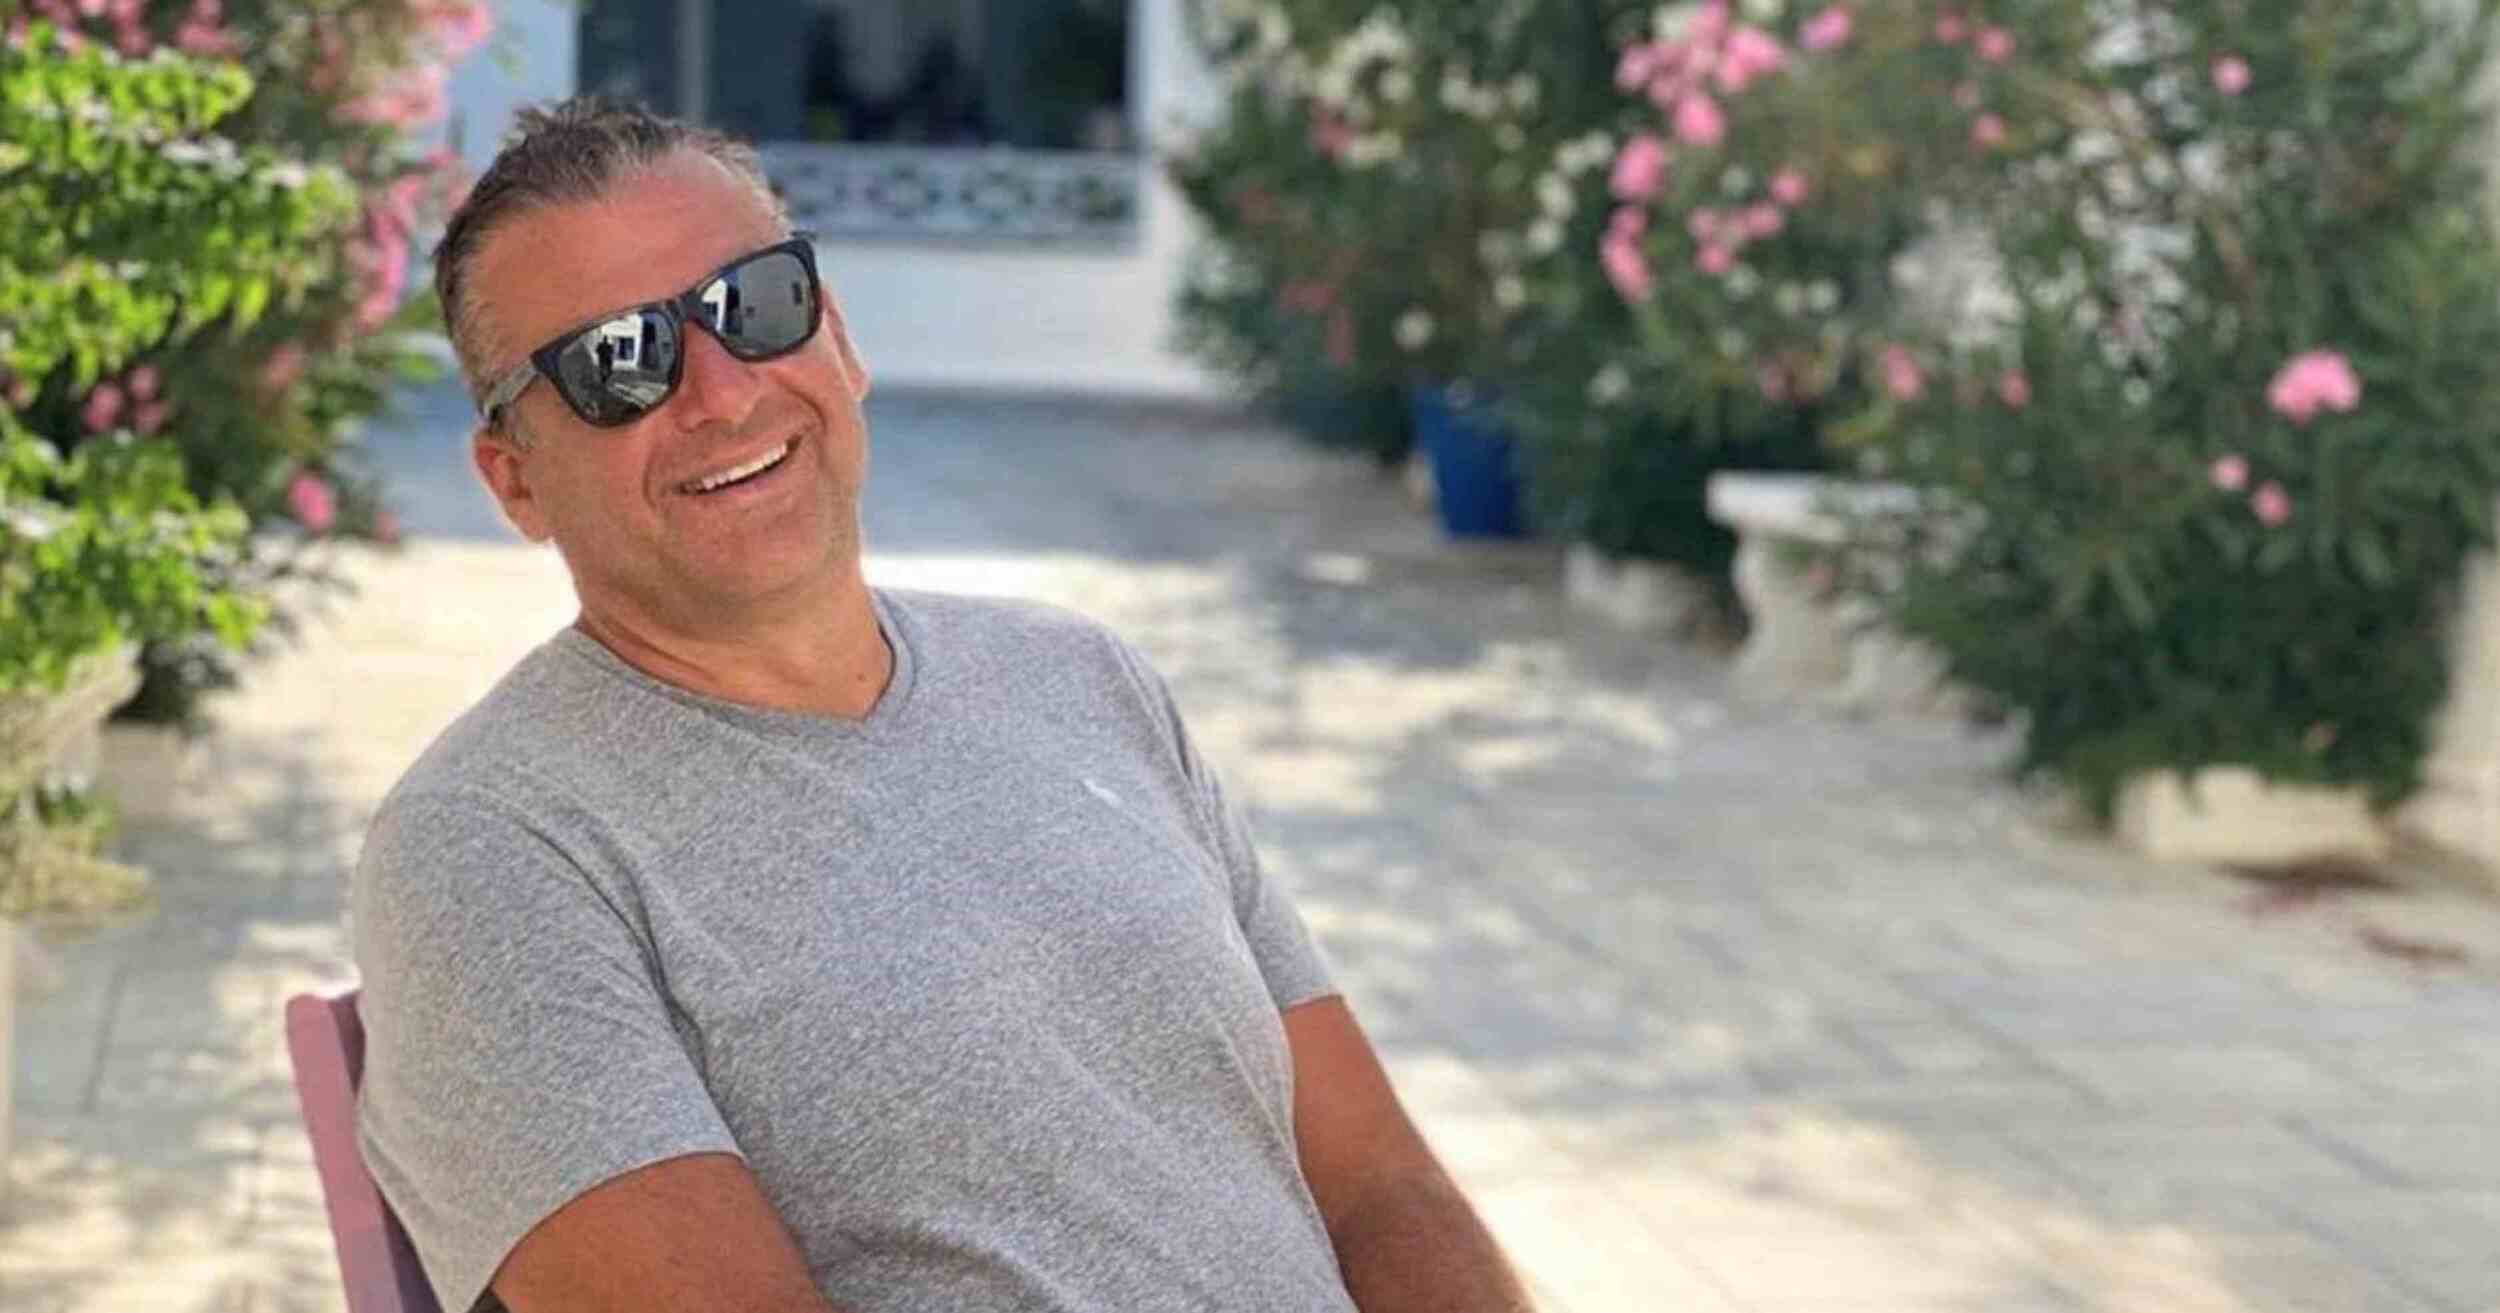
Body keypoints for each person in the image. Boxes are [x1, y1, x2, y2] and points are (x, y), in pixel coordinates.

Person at [350, 98, 1533, 1313]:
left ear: (839, 341)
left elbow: (1384, 1187)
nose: (721, 393)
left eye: (756, 305)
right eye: (618, 363)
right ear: (515, 480)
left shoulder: (1082, 678)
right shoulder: (489, 848)